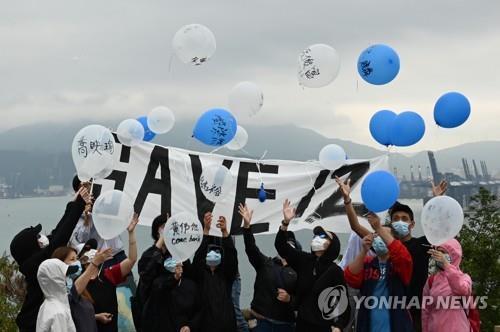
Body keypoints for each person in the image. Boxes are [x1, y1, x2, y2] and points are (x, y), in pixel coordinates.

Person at [336, 176, 448, 331]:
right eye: (395, 218)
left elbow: (440, 230)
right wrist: (347, 200)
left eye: (404, 218)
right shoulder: (381, 248)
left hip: (414, 308)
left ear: (412, 224)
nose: (399, 221)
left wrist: (438, 200)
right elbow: (356, 226)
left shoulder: (421, 244)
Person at [10, 186, 91, 332]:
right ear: (31, 247)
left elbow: (56, 235)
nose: (42, 238)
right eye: (37, 237)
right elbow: (59, 239)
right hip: (36, 324)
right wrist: (78, 204)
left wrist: (73, 204)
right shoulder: (36, 266)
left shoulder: (34, 262)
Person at [275, 199, 350, 332]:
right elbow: (281, 247)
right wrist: (285, 223)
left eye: (322, 236)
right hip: (301, 324)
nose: (317, 238)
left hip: (324, 327)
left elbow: (343, 304)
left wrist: (339, 326)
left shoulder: (335, 271)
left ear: (332, 245)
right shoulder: (304, 260)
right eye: (315, 235)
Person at [344, 213, 414, 331]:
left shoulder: (400, 265)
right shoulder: (368, 262)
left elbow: (402, 256)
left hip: (396, 325)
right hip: (368, 326)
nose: (379, 238)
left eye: (384, 235)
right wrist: (363, 251)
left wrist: (379, 228)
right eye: (377, 235)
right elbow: (351, 278)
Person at [238, 203, 298, 332]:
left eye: (290, 247)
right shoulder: (266, 263)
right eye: (284, 245)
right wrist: (247, 227)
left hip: (285, 325)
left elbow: (304, 298)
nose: (285, 249)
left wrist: (290, 299)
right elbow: (251, 249)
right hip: (261, 322)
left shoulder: (299, 270)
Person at [85, 213, 139, 332]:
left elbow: (131, 259)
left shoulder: (107, 275)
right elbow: (73, 312)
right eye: (86, 251)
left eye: (93, 250)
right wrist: (96, 317)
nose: (92, 253)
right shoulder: (77, 282)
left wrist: (131, 233)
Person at [140, 237, 201, 332]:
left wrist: (190, 326)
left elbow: (199, 311)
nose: (175, 264)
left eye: (177, 260)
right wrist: (175, 278)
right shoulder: (158, 283)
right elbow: (162, 286)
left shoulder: (191, 286)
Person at [192, 214, 238, 332]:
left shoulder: (226, 275)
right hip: (204, 326)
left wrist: (225, 233)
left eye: (217, 252)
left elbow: (232, 256)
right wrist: (206, 230)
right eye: (210, 252)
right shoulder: (200, 275)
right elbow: (198, 257)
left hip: (226, 325)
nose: (213, 254)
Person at [52, 246, 114, 332]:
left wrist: (96, 317)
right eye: (72, 259)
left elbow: (76, 315)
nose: (77, 262)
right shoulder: (58, 292)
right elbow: (73, 294)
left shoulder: (74, 284)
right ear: (60, 264)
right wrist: (95, 263)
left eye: (77, 259)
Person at [69, 176, 126, 267]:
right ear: (77, 192)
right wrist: (87, 217)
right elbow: (82, 240)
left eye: (90, 185)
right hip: (101, 259)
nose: (89, 191)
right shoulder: (76, 213)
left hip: (118, 253)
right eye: (85, 188)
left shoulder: (105, 202)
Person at [422, 239, 472, 332]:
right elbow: (426, 311)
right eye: (438, 251)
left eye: (443, 252)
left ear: (454, 254)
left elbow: (461, 290)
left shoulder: (464, 278)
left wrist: (447, 265)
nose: (440, 255)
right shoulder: (431, 281)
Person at [132, 214, 169, 331]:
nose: (168, 230)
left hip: (169, 315)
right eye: (164, 227)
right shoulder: (148, 254)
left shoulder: (176, 256)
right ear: (157, 231)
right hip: (149, 314)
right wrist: (160, 242)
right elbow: (145, 274)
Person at [36, 258, 77, 332]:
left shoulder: (46, 304)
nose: (67, 279)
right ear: (56, 279)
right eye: (65, 275)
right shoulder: (59, 312)